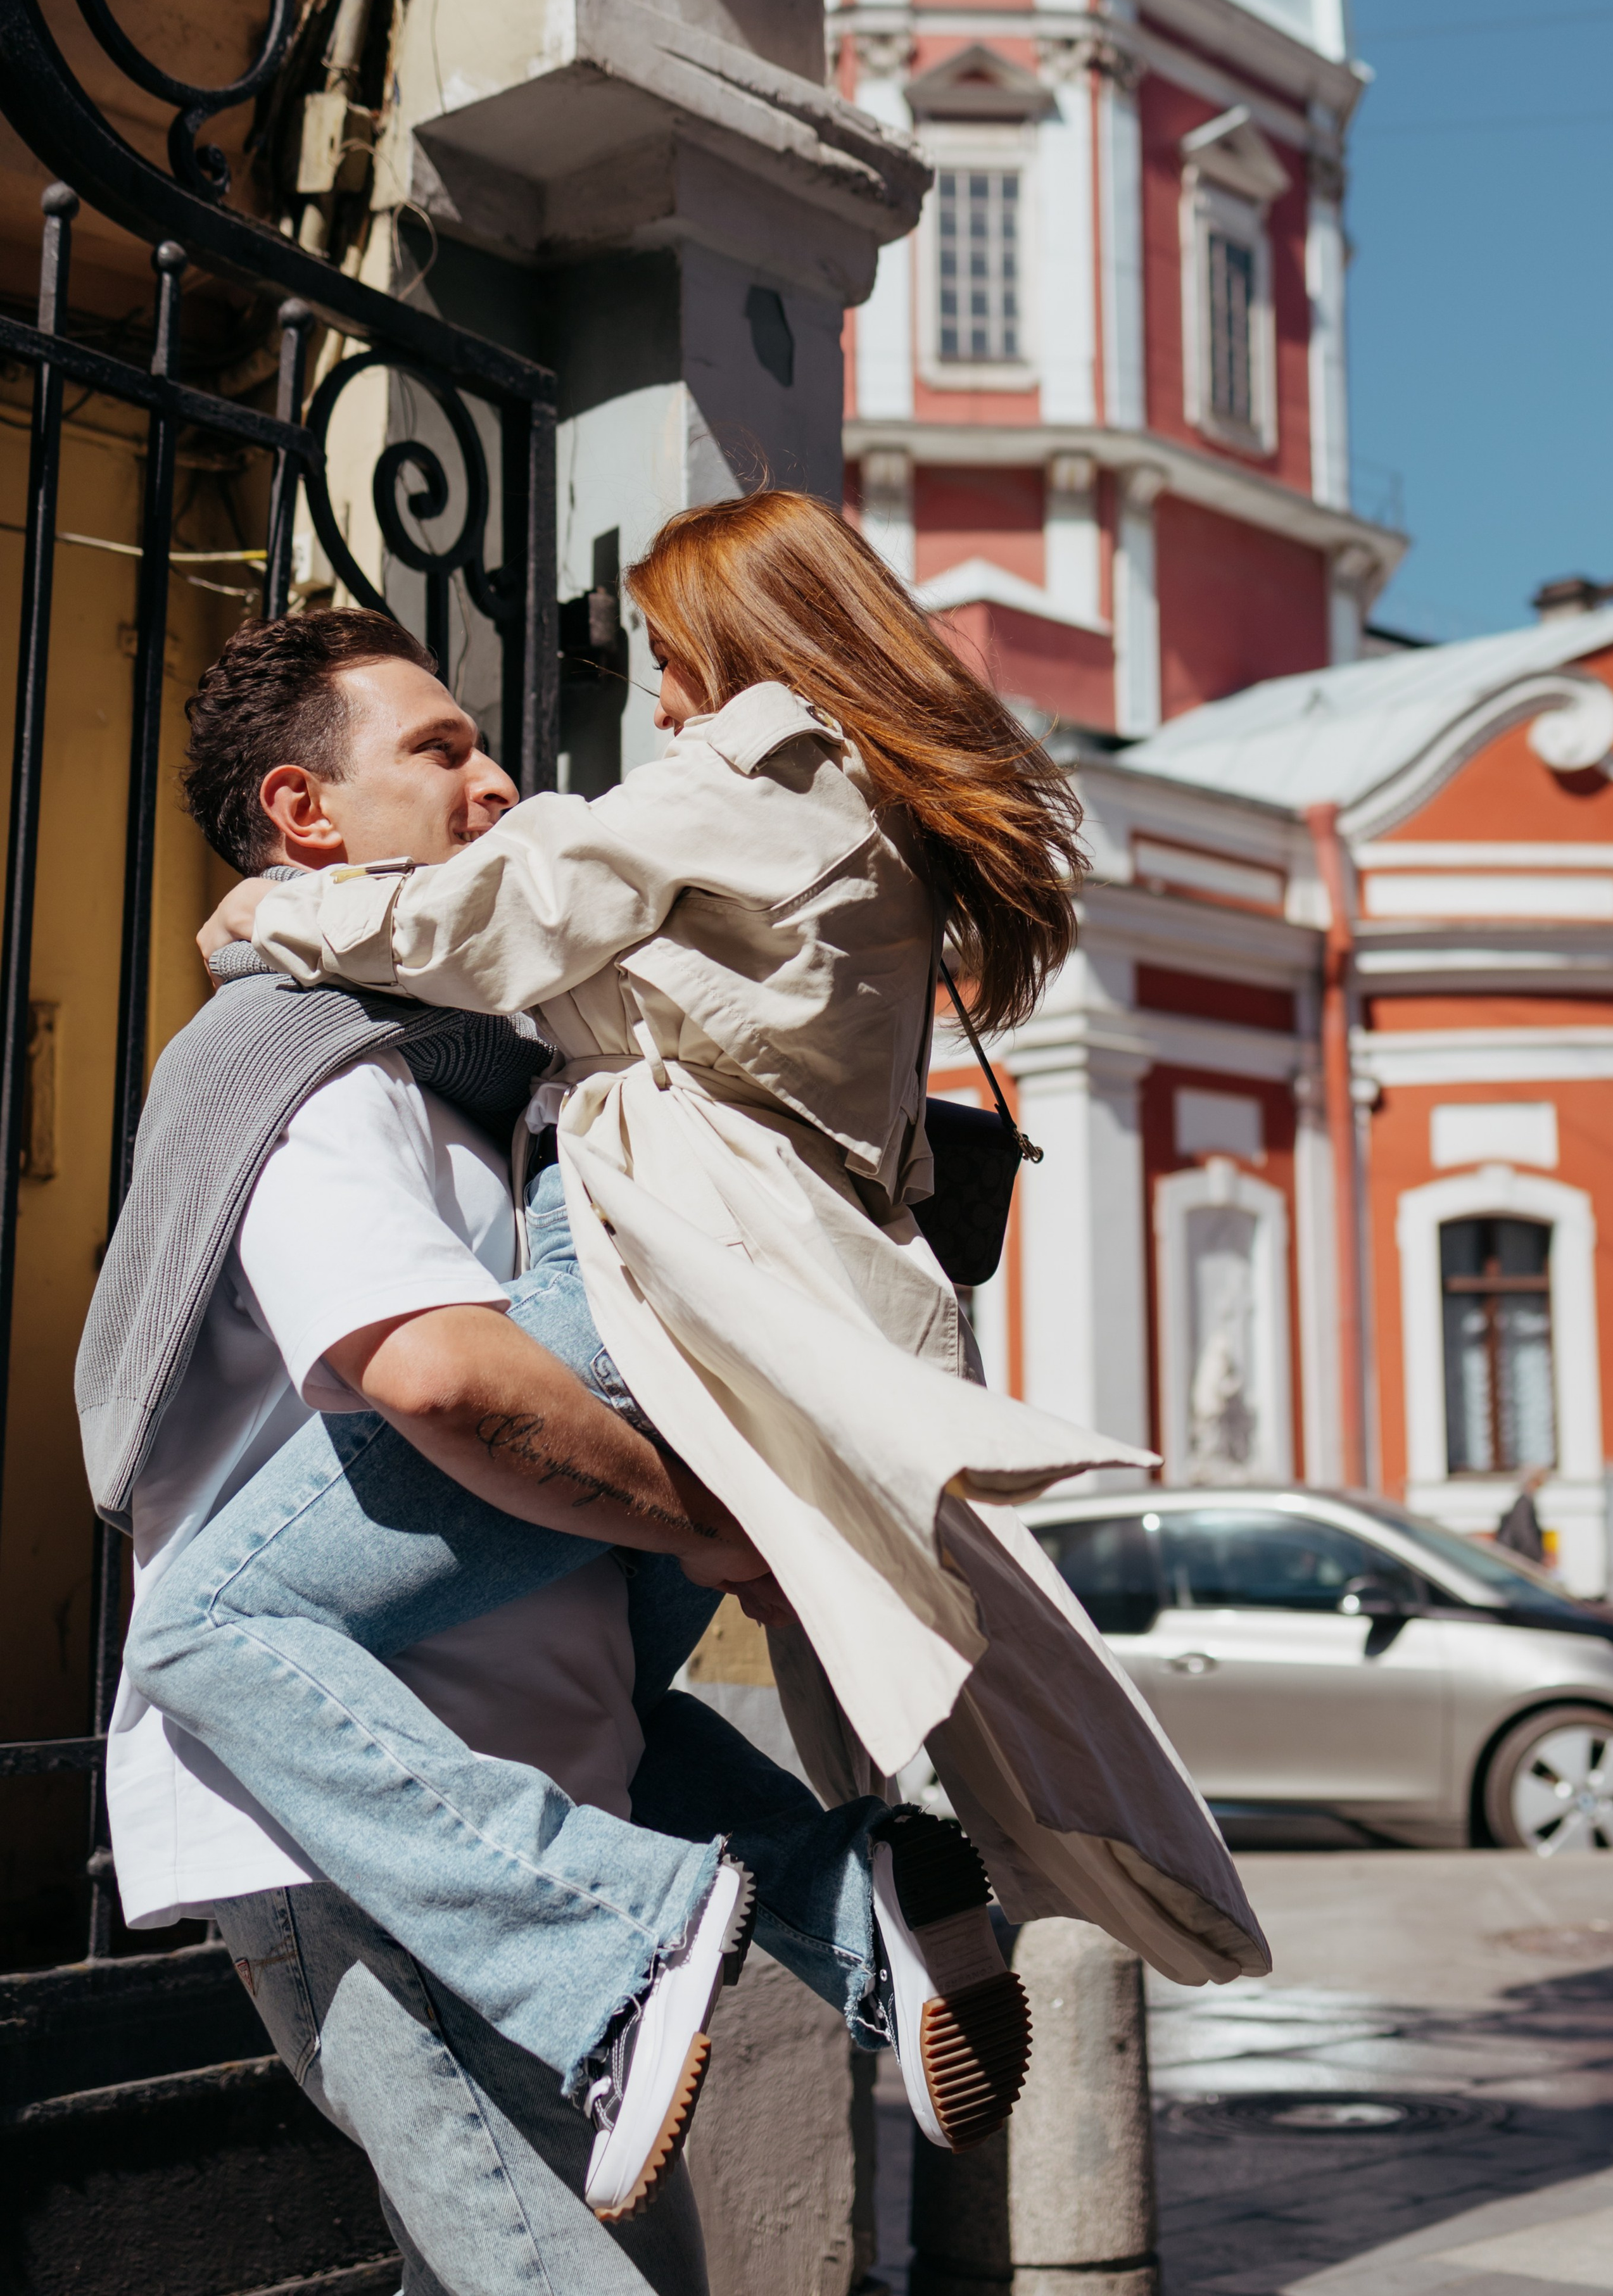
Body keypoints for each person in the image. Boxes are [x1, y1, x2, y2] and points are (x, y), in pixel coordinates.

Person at [130, 495, 1268, 2220]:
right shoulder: (859, 825)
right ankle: (849, 1884)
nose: (659, 705)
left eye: (670, 662)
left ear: (739, 640)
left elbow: (499, 918)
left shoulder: (757, 755)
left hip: (647, 1309)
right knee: (632, 1714)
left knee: (202, 1627)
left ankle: (620, 1939)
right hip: (767, 1352)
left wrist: (263, 925)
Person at [86, 608, 1036, 2296]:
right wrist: (713, 1520)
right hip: (375, 1851)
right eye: (438, 748)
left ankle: (744, 1912)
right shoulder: (294, 1068)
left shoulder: (490, 1089)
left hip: (505, 1831)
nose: (498, 775)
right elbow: (442, 1376)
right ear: (305, 817)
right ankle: (815, 1900)